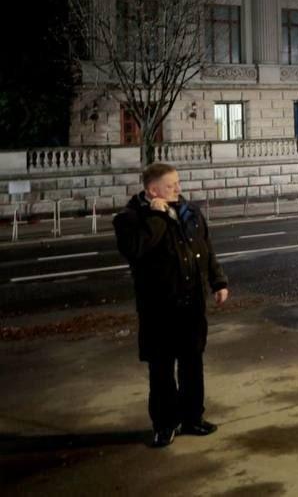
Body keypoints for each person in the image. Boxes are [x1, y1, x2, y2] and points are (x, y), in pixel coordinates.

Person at [114, 162, 229, 448]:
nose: (178, 188)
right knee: (162, 370)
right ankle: (165, 424)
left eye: (177, 183)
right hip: (159, 310)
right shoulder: (130, 219)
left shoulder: (190, 212)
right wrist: (158, 216)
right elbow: (137, 249)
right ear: (153, 190)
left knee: (192, 365)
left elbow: (206, 248)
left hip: (191, 306)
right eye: (171, 185)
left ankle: (192, 417)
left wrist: (219, 282)